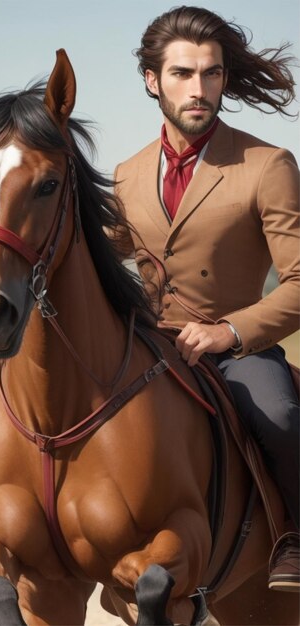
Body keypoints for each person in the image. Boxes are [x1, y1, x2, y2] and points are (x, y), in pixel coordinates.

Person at [114, 5, 299, 591]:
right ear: (153, 81)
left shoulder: (267, 164)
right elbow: (95, 254)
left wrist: (231, 332)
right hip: (148, 349)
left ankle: (292, 535)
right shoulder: (124, 175)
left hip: (236, 353)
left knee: (282, 415)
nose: (200, 90)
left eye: (211, 74)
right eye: (182, 74)